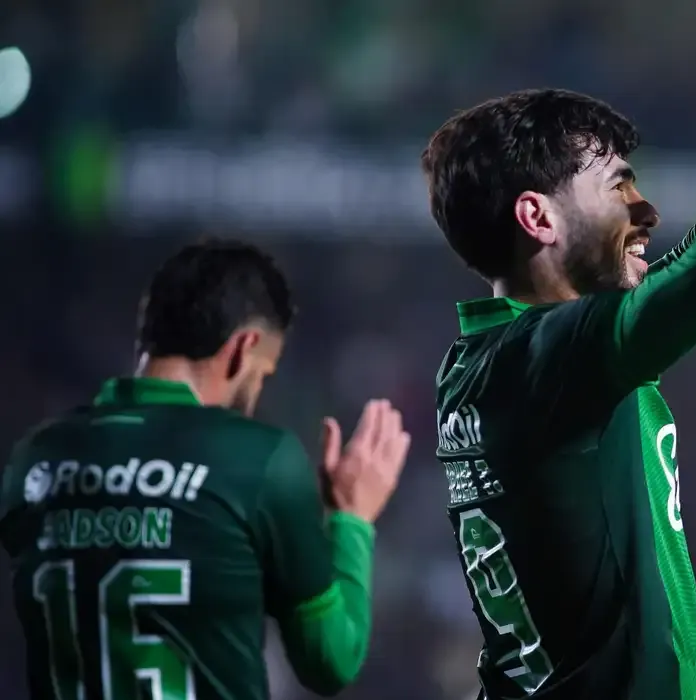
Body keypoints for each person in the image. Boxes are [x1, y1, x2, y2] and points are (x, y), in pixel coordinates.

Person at [422, 35, 696, 700]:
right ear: (537, 216)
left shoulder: (479, 365)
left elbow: (687, 270)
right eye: (618, 185)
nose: (646, 210)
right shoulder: (552, 356)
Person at [0, 239, 411, 699]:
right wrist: (352, 519)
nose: (259, 391)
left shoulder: (33, 460)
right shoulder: (257, 458)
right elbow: (331, 659)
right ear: (243, 348)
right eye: (264, 374)